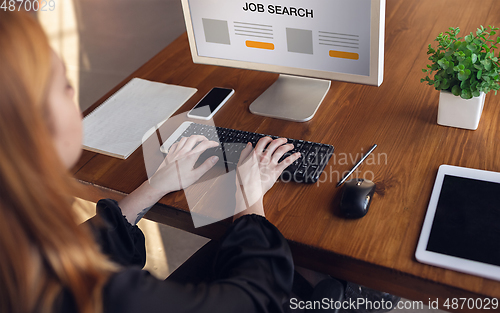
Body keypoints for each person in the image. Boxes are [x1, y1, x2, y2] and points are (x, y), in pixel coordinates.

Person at [0, 11, 305, 313]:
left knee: (225, 248)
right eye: (64, 84)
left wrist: (153, 187)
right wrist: (248, 200)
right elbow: (255, 300)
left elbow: (76, 247)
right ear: (30, 128)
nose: (73, 92)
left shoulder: (17, 251)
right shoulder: (102, 295)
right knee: (298, 269)